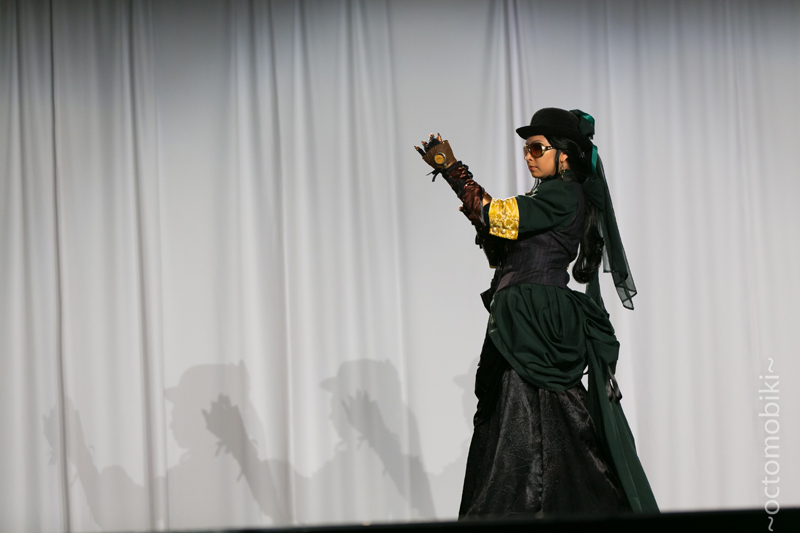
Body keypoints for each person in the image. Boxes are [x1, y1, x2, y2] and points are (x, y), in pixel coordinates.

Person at [415, 108, 658, 518]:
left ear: (564, 155)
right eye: (526, 149)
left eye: (537, 148)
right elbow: (501, 243)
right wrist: (480, 215)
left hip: (535, 317)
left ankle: (537, 506)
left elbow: (496, 215)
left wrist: (454, 171)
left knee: (530, 413)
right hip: (522, 313)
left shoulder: (564, 193)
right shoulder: (545, 196)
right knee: (522, 413)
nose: (528, 156)